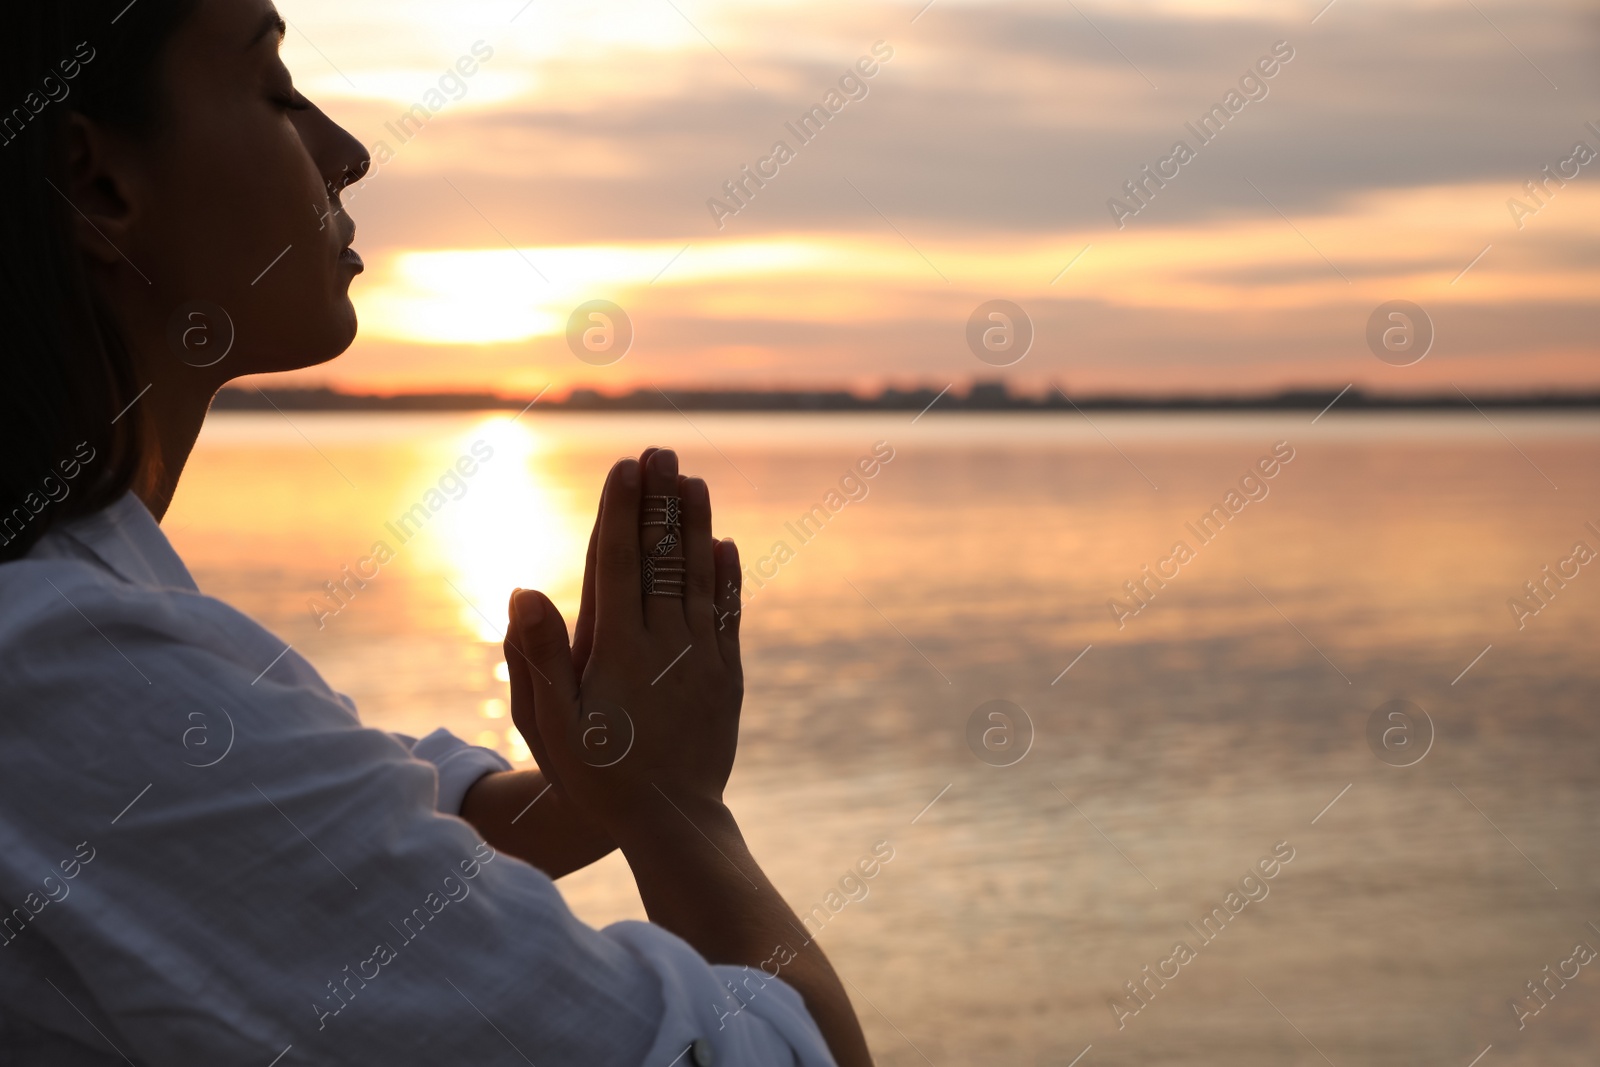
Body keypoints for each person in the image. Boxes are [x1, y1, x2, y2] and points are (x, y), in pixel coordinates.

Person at [0, 2, 874, 1064]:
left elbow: (320, 823)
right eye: (276, 91)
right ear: (100, 185)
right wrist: (676, 807)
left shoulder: (72, 602)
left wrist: (588, 770)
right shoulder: (66, 663)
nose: (349, 154)